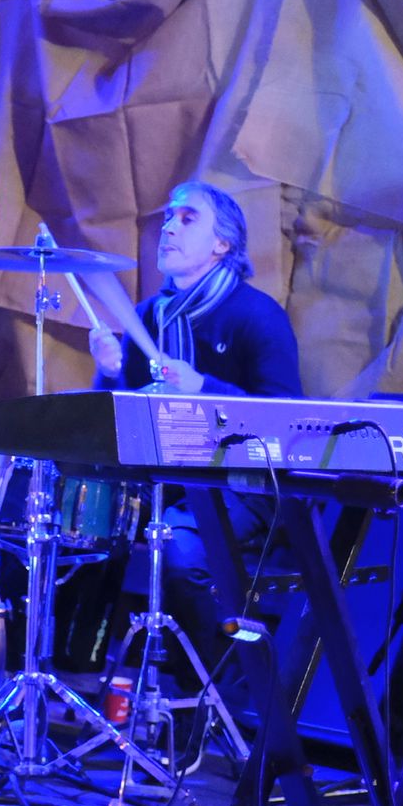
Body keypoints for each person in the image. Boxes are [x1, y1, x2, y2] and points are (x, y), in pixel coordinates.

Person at [89, 180, 302, 681]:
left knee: (181, 552)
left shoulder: (257, 316)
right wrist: (110, 373)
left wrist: (204, 388)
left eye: (187, 219)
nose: (169, 227)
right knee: (72, 528)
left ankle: (206, 693)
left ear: (222, 244)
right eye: (169, 217)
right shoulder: (150, 316)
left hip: (243, 487)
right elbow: (120, 420)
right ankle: (85, 673)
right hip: (165, 482)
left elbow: (284, 422)